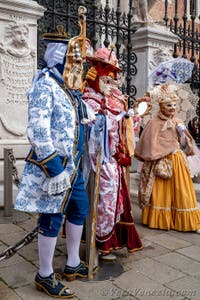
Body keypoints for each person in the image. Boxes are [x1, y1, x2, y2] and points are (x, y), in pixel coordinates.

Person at [14, 25, 95, 298]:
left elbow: (78, 119)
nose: (78, 64)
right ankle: (45, 274)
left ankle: (72, 263)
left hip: (74, 166)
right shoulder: (45, 85)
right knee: (52, 218)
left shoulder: (68, 88)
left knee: (79, 208)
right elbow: (38, 130)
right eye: (73, 59)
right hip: (56, 167)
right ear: (59, 57)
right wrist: (54, 168)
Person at [82, 47, 143, 261]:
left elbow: (125, 129)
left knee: (114, 199)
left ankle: (110, 241)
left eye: (114, 77)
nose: (113, 82)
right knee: (104, 199)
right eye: (108, 77)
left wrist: (133, 117)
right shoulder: (89, 97)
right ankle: (100, 242)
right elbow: (90, 127)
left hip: (113, 158)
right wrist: (113, 119)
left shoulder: (115, 97)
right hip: (97, 159)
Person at [134, 83, 200, 232]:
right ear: (162, 106)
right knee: (161, 192)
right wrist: (160, 151)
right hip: (160, 162)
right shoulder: (154, 123)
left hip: (177, 161)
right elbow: (149, 144)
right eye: (169, 105)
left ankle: (184, 221)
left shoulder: (178, 122)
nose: (172, 108)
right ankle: (160, 220)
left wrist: (183, 134)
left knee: (181, 191)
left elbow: (185, 145)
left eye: (174, 105)